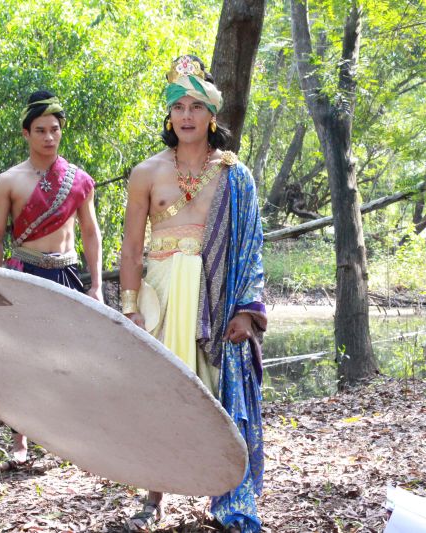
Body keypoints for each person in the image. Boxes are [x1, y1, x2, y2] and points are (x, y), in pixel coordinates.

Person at [119, 55, 266, 533]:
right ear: (169, 114)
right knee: (158, 395)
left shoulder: (234, 175)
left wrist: (246, 312)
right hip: (161, 297)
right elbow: (132, 249)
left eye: (196, 106)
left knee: (213, 399)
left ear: (212, 114)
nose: (186, 116)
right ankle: (152, 497)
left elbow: (250, 248)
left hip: (216, 299)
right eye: (178, 106)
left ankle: (225, 494)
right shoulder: (146, 173)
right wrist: (130, 309)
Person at [0, 90, 103, 469]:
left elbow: (90, 233)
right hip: (25, 273)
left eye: (55, 129)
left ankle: (66, 437)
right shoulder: (8, 181)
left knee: (70, 356)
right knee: (21, 357)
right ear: (26, 133)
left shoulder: (79, 180)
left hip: (66, 273)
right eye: (40, 130)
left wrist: (96, 284)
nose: (49, 137)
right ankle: (20, 440)